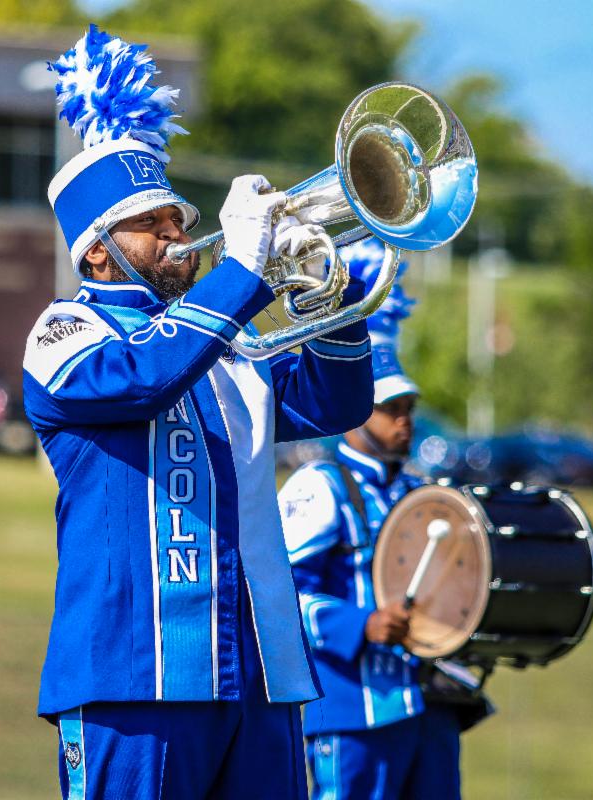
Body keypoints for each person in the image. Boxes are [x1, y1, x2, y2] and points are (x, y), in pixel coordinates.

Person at [24, 26, 375, 800]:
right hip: (130, 674)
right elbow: (143, 376)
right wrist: (245, 270)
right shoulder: (64, 331)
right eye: (154, 225)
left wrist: (335, 300)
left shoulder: (226, 339)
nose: (179, 237)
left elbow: (338, 403)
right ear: (95, 253)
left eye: (180, 221)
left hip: (256, 675)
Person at [278, 239, 490, 800]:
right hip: (353, 714)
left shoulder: (425, 493)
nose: (404, 421)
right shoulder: (317, 486)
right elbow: (276, 598)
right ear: (354, 410)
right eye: (389, 407)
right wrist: (361, 625)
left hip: (430, 710)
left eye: (409, 409)